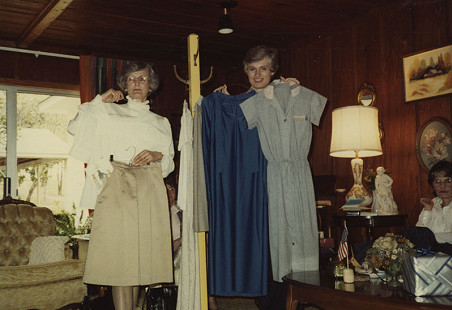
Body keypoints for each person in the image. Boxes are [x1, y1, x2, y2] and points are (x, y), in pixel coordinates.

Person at [68, 61, 175, 310]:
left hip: (148, 185)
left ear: (151, 85)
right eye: (131, 79)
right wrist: (99, 100)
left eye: (142, 79)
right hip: (117, 182)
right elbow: (74, 128)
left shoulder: (161, 123)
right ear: (124, 85)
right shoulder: (109, 111)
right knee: (120, 256)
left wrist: (156, 155)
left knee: (137, 258)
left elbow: (168, 165)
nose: (137, 84)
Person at [417, 160, 452, 243]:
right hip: (430, 255)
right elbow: (418, 233)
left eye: (448, 181)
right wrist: (428, 210)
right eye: (438, 181)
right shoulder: (432, 205)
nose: (442, 186)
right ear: (433, 186)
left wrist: (429, 238)